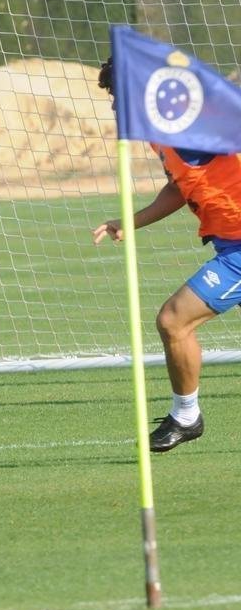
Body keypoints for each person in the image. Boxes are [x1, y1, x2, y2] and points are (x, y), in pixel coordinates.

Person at [93, 55, 237, 452]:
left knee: (174, 321)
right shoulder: (164, 132)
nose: (114, 106)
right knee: (174, 323)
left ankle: (187, 416)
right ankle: (186, 415)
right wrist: (129, 221)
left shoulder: (192, 120)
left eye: (117, 95)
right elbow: (180, 187)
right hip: (230, 245)